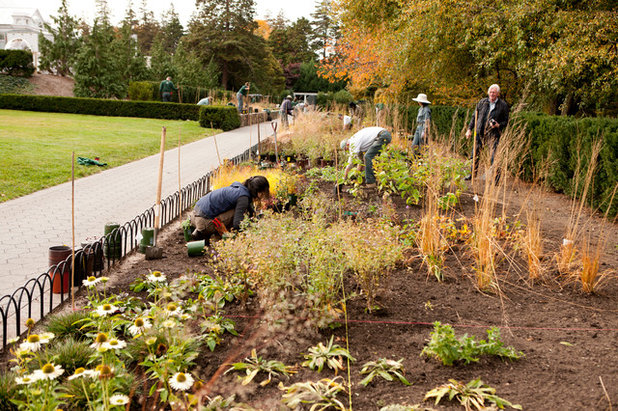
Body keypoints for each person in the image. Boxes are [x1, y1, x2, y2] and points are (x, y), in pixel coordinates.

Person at [190, 176, 270, 241]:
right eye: (263, 193)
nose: (263, 196)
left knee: (241, 210)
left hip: (194, 215)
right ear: (257, 191)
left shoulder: (239, 188)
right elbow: (237, 223)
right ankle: (207, 234)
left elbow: (250, 211)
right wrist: (249, 232)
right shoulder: (243, 198)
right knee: (239, 213)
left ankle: (201, 231)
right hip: (203, 222)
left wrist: (257, 219)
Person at [465, 84, 510, 181]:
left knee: (494, 156)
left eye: (494, 92)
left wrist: (498, 125)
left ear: (498, 94)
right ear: (488, 92)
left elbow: (506, 121)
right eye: (490, 92)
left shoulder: (503, 105)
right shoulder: (482, 102)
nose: (492, 94)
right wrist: (469, 129)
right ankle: (472, 175)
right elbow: (474, 117)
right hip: (480, 132)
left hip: (493, 134)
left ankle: (496, 178)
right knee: (475, 155)